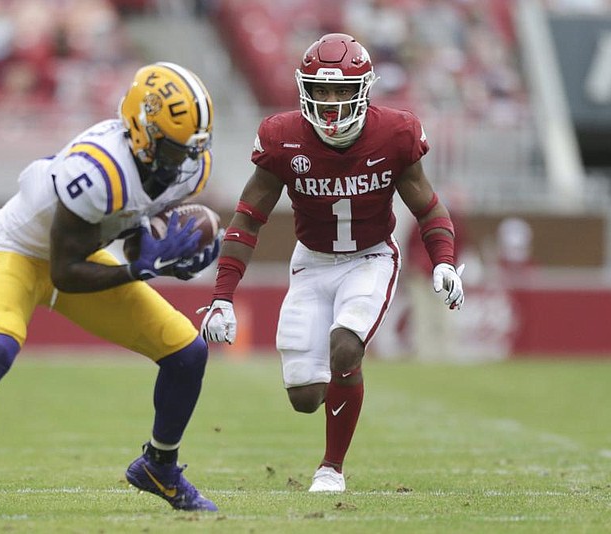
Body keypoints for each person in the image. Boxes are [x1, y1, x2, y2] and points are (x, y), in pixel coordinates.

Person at [0, 62, 222, 518]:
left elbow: (133, 225)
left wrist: (166, 251)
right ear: (142, 129)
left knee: (187, 352)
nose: (186, 161)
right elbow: (65, 273)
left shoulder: (186, 167)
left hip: (78, 254)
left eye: (192, 149)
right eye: (175, 148)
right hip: (18, 251)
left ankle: (159, 467)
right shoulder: (97, 170)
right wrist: (140, 268)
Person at [199, 33, 465, 492]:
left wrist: (443, 260)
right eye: (321, 91)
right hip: (312, 263)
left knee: (346, 344)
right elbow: (247, 218)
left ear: (363, 91)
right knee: (304, 397)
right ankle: (342, 389)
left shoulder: (395, 133)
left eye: (341, 91)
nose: (330, 103)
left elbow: (428, 207)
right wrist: (221, 298)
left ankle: (331, 468)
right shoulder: (282, 138)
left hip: (370, 257)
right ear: (304, 90)